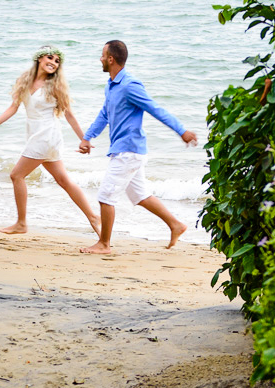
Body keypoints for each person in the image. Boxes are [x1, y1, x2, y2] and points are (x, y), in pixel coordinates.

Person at [77, 40, 197, 254]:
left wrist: (182, 131)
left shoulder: (130, 85)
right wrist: (87, 137)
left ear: (111, 59)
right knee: (140, 196)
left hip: (129, 151)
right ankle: (176, 225)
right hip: (126, 150)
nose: (100, 59)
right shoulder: (111, 85)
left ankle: (104, 244)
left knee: (105, 197)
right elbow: (104, 114)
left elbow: (155, 108)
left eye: (103, 55)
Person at [0, 46, 100, 236]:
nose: (53, 63)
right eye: (50, 58)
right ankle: (93, 217)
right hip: (37, 136)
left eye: (57, 61)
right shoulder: (25, 81)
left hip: (46, 136)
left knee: (16, 175)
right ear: (39, 59)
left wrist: (84, 139)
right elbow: (13, 107)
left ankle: (21, 223)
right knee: (63, 180)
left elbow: (69, 115)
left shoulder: (55, 86)